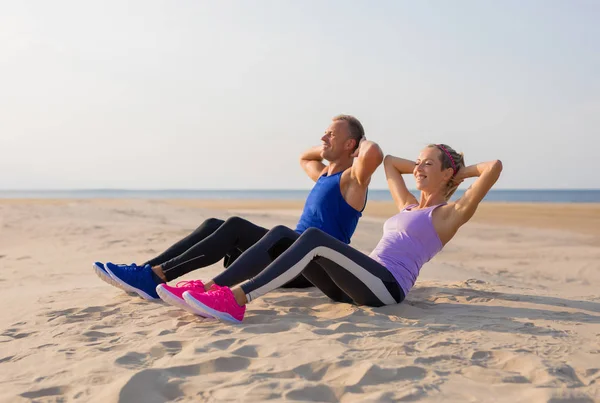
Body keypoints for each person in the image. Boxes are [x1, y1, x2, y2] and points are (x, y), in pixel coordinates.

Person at [175, 144, 503, 323]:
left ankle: (236, 299)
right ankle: (209, 290)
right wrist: (429, 162)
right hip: (356, 284)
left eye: (427, 164)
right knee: (282, 234)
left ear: (447, 172)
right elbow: (389, 163)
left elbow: (493, 167)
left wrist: (459, 172)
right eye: (417, 162)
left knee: (315, 237)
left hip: (387, 287)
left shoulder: (448, 215)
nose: (417, 168)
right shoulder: (408, 205)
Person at [94, 114, 384, 311]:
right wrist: (325, 145)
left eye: (331, 135)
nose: (323, 137)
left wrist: (358, 146)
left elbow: (374, 155)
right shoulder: (323, 175)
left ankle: (187, 283)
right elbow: (304, 157)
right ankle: (149, 272)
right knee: (214, 223)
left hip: (311, 268)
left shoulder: (351, 181)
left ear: (350, 145)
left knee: (238, 226)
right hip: (286, 252)